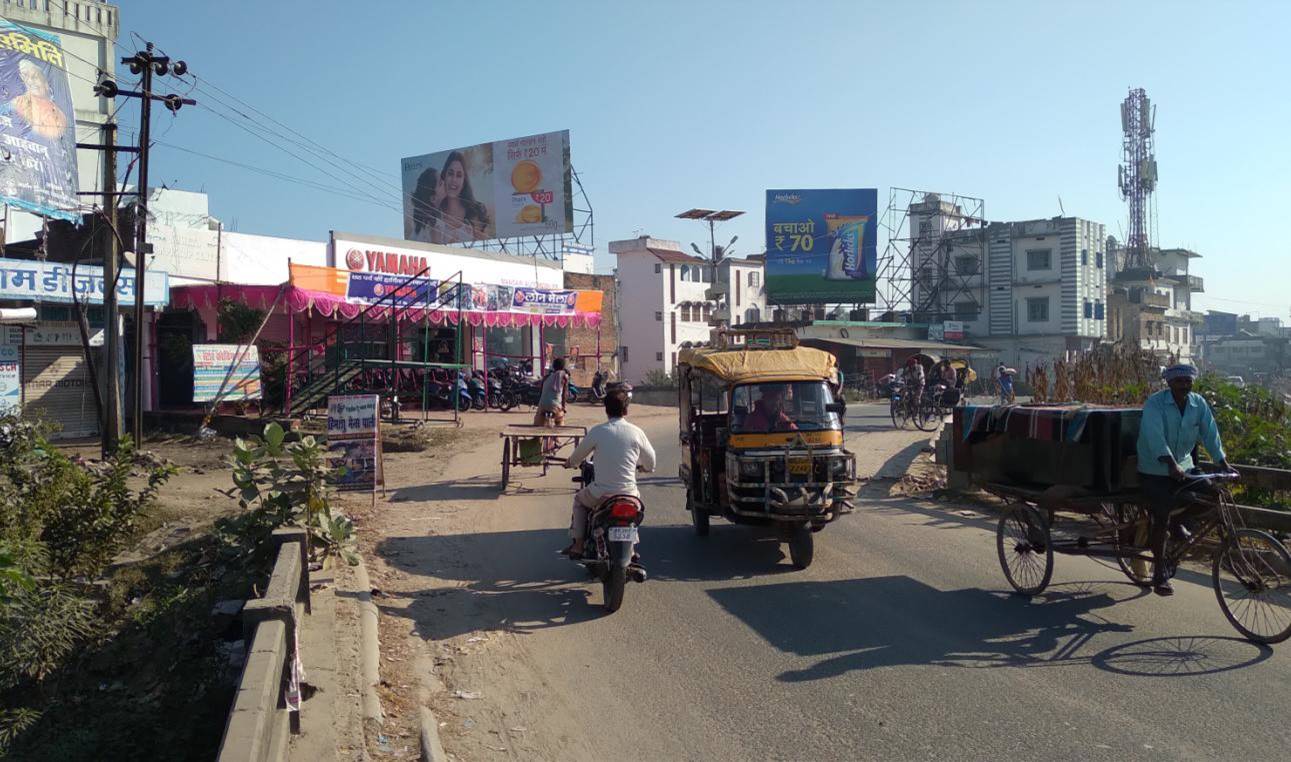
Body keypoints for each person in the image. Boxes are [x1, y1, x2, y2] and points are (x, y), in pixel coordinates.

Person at [1135, 363, 1230, 597]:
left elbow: (1210, 433)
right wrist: (1170, 463)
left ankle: (1178, 524)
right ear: (1169, 383)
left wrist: (1223, 463)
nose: (1184, 385)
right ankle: (1159, 575)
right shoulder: (1155, 403)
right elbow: (1153, 435)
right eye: (1179, 381)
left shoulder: (1198, 403)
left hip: (1185, 467)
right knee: (1162, 516)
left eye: (1188, 381)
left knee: (1213, 495)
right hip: (1155, 469)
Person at [563, 389, 656, 557]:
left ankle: (577, 544)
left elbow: (578, 456)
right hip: (629, 494)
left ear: (606, 410)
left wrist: (570, 463)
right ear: (626, 410)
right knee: (633, 515)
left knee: (579, 500)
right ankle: (632, 548)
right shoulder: (637, 432)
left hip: (601, 494)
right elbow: (651, 461)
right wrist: (644, 468)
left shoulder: (598, 431)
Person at [435, 150, 491, 243]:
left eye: (459, 175)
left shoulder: (476, 212)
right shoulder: (435, 211)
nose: (454, 180)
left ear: (464, 181)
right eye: (450, 173)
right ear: (444, 176)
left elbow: (486, 247)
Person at [408, 167, 445, 242]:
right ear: (433, 198)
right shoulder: (435, 227)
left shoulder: (418, 228)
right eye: (440, 183)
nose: (445, 183)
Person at [534, 357, 569, 427]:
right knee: (560, 419)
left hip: (542, 405)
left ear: (553, 366)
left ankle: (537, 437)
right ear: (563, 367)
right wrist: (563, 408)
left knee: (538, 424)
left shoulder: (546, 377)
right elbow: (564, 395)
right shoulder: (563, 377)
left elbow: (541, 393)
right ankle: (556, 437)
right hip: (555, 406)